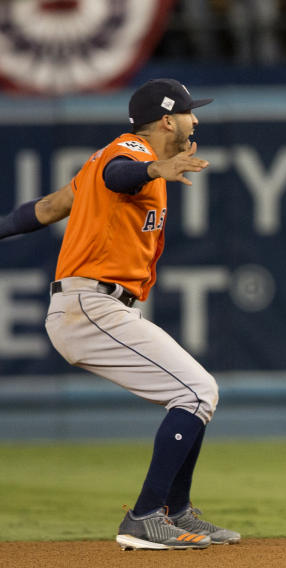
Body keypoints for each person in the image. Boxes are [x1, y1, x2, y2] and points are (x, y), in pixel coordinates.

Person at [0, 78, 239, 550]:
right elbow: (120, 175)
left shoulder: (110, 161)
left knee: (193, 393)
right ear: (168, 120)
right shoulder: (126, 152)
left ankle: (176, 510)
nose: (197, 121)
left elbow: (47, 209)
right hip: (89, 305)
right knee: (197, 392)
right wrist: (152, 169)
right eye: (192, 113)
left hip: (95, 306)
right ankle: (146, 516)